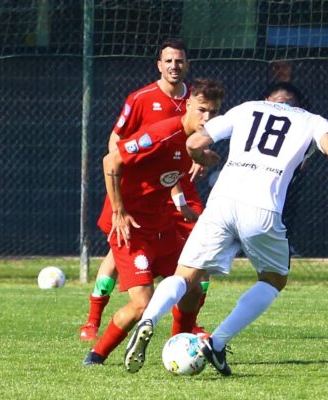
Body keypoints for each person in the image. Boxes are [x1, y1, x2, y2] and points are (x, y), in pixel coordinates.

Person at [123, 82, 328, 376]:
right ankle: (217, 343)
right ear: (296, 105)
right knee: (273, 280)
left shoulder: (247, 108)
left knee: (184, 275)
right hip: (262, 209)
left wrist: (202, 158)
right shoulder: (312, 120)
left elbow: (194, 143)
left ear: (267, 100)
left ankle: (149, 319)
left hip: (221, 203)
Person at [83, 78, 225, 366]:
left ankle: (179, 345)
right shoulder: (159, 134)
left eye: (213, 112)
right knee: (142, 304)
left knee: (193, 288)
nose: (207, 118)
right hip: (132, 228)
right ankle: (96, 356)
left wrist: (183, 199)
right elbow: (110, 161)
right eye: (201, 110)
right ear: (187, 104)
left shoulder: (195, 142)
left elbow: (168, 173)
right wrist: (118, 211)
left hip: (163, 227)